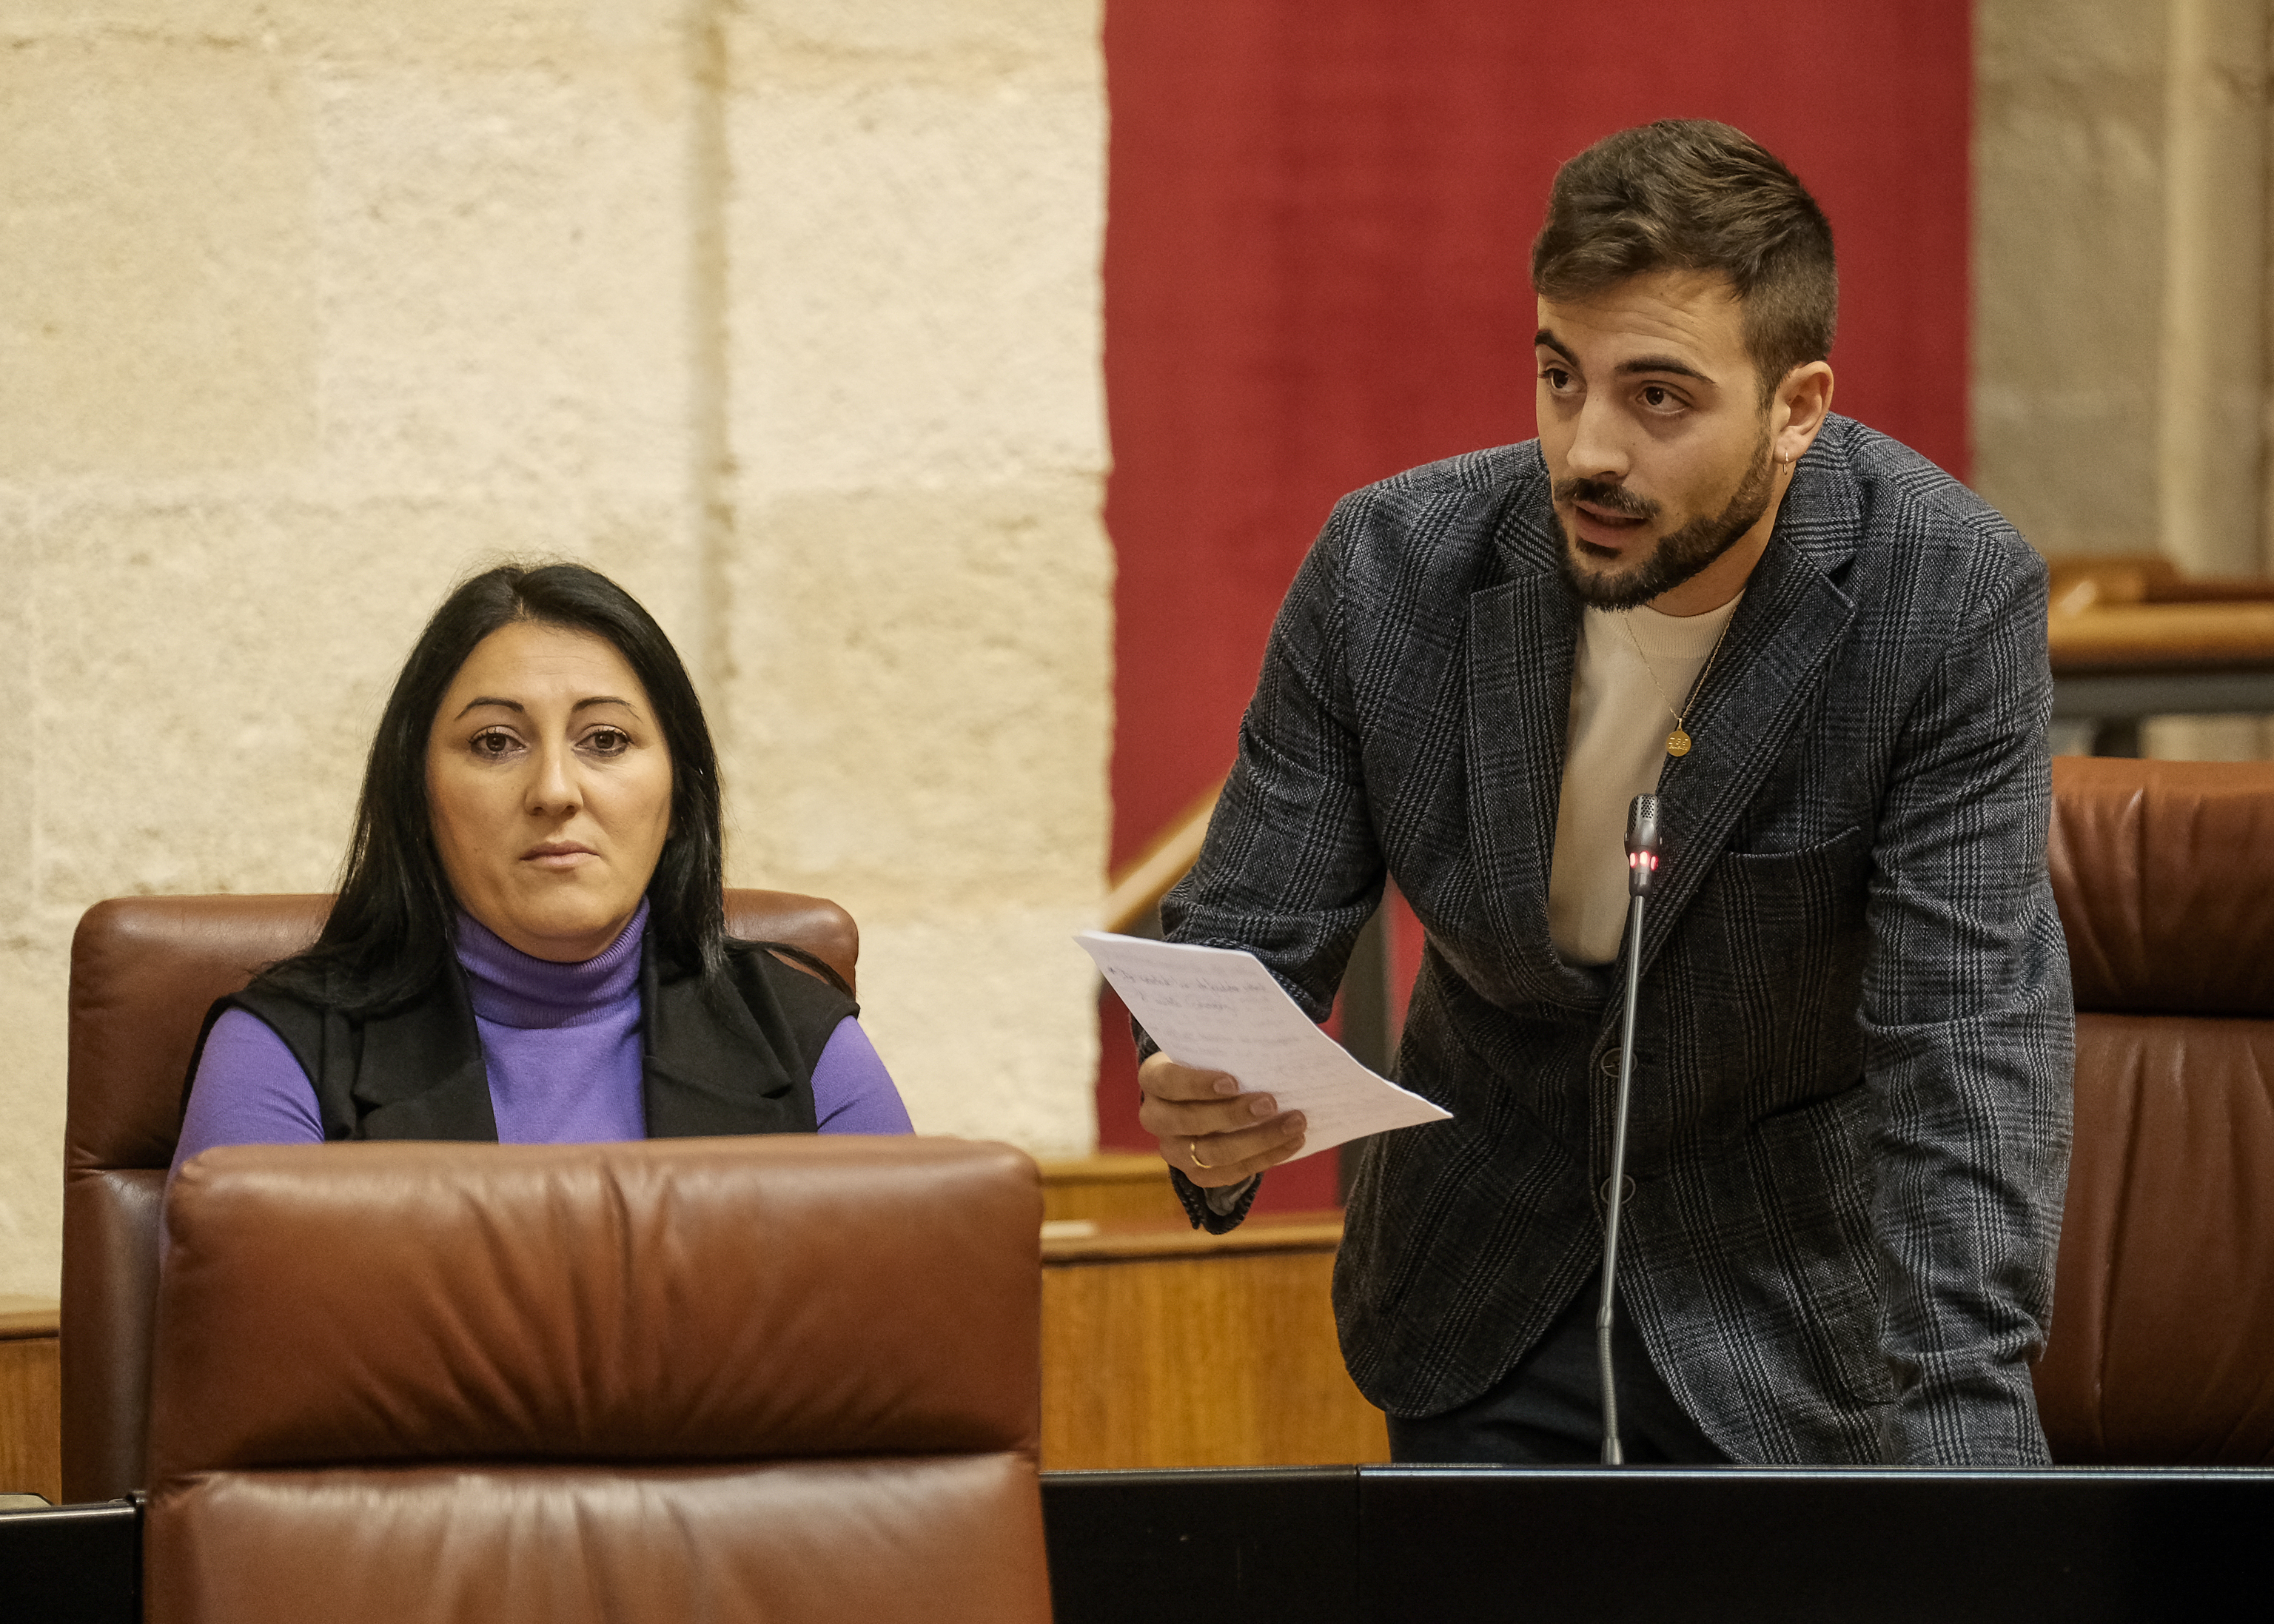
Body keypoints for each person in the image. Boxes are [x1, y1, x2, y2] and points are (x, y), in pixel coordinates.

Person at [1136, 120, 2073, 1467]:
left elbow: (1964, 1042)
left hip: (1800, 1336)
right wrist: (1205, 1104)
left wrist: (1973, 1475)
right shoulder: (1389, 569)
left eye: (1659, 397)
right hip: (1477, 1303)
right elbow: (1241, 936)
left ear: (1797, 407)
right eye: (1559, 377)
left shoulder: (1943, 595)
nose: (1587, 450)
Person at [175, 563, 911, 1168]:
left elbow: (902, 1337)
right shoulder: (287, 1051)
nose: (556, 791)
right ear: (419, 792)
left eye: (607, 740)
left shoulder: (807, 1043)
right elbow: (248, 1343)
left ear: (679, 794)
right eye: (496, 742)